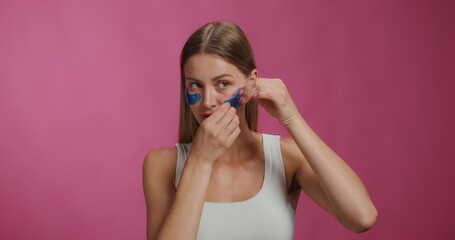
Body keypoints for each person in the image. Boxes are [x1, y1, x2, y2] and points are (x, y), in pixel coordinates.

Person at [142, 21, 377, 240]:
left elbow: (362, 217)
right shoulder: (163, 165)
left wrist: (291, 118)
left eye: (223, 83)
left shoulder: (285, 159)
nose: (208, 101)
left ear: (252, 82)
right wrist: (201, 160)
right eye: (195, 85)